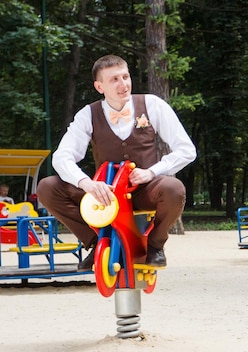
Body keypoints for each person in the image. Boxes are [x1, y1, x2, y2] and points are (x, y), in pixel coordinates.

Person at [38, 55, 196, 271]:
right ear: (99, 86)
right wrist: (87, 184)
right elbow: (62, 156)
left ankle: (155, 245)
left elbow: (187, 150)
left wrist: (151, 172)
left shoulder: (152, 104)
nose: (123, 84)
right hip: (106, 194)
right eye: (114, 79)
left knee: (174, 189)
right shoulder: (88, 114)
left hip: (144, 190)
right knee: (47, 188)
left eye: (125, 76)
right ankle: (96, 242)